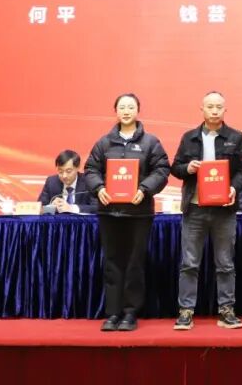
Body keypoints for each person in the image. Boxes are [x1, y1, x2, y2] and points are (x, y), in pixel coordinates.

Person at [83, 93, 170, 332]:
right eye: (122, 107)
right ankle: (112, 313)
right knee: (112, 262)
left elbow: (162, 169)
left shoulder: (151, 142)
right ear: (116, 111)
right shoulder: (104, 143)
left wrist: (144, 189)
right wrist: (99, 188)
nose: (126, 111)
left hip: (139, 214)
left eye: (131, 107)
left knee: (134, 263)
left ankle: (130, 313)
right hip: (109, 213)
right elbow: (90, 169)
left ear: (137, 111)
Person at [170, 91, 242, 331]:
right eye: (210, 106)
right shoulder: (189, 138)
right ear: (202, 109)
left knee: (225, 263)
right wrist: (188, 168)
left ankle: (226, 310)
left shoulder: (236, 137)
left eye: (219, 107)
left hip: (224, 210)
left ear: (225, 110)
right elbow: (175, 168)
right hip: (195, 208)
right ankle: (186, 311)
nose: (214, 111)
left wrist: (233, 188)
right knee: (189, 263)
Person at [38, 149, 98, 214]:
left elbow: (96, 207)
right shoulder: (51, 182)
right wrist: (50, 207)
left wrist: (71, 208)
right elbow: (38, 208)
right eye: (60, 171)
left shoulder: (89, 182)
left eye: (68, 171)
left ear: (78, 167)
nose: (64, 176)